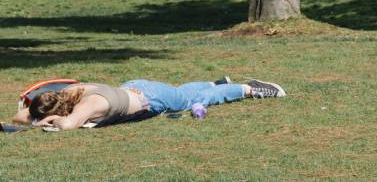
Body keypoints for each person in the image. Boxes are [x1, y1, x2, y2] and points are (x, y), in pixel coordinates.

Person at [19, 77, 285, 128]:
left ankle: (250, 89)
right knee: (183, 93)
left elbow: (68, 126)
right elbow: (24, 117)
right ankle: (216, 82)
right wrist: (29, 113)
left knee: (194, 99)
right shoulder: (73, 91)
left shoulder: (86, 106)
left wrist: (51, 120)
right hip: (138, 87)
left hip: (152, 98)